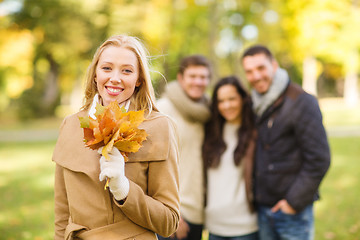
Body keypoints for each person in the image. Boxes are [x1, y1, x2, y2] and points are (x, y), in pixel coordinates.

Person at [52, 35, 180, 240]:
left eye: (127, 70)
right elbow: (62, 213)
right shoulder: (71, 125)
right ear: (95, 74)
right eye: (107, 68)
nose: (115, 78)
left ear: (139, 79)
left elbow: (169, 222)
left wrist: (124, 189)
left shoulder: (159, 126)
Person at [241, 45, 330, 240]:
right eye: (249, 71)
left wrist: (292, 203)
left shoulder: (301, 101)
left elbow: (319, 159)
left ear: (274, 65)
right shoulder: (254, 103)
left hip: (292, 212)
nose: (256, 76)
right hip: (263, 209)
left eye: (261, 68)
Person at [157, 55, 212, 240]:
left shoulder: (209, 112)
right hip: (174, 213)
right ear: (181, 78)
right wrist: (171, 212)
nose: (198, 81)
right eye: (192, 76)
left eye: (203, 77)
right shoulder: (163, 109)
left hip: (199, 212)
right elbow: (149, 165)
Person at [202, 76, 259, 240]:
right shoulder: (211, 133)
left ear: (243, 99)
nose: (226, 105)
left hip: (245, 226)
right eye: (221, 101)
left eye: (232, 99)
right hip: (215, 226)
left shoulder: (255, 133)